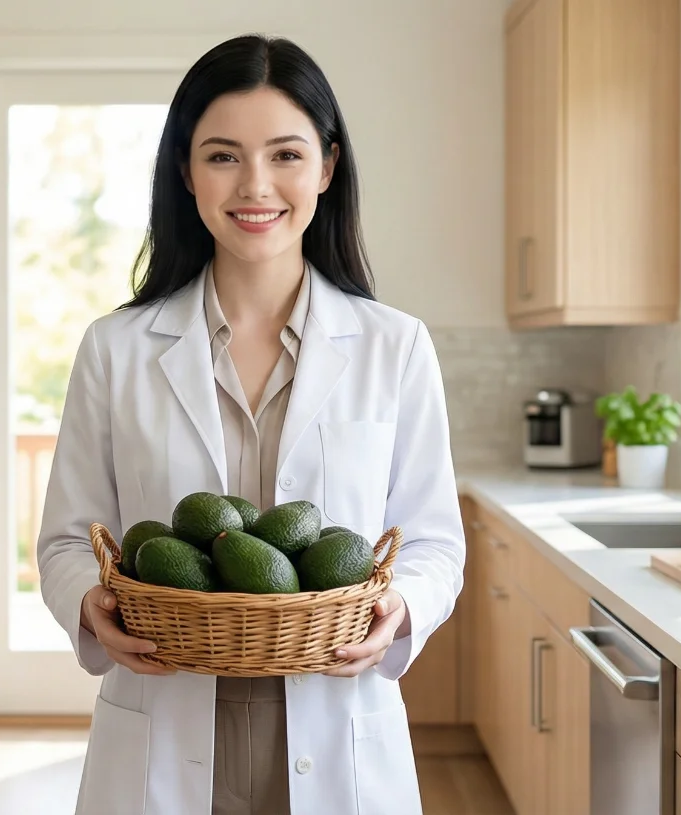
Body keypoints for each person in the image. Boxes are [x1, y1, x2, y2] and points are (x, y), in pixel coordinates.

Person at [36, 34, 465, 815]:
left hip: (337, 731)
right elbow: (69, 537)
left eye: (287, 155)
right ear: (186, 171)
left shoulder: (393, 346)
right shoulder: (117, 347)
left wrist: (403, 603)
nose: (256, 184)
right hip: (162, 730)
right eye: (224, 155)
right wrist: (86, 602)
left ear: (328, 168)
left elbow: (433, 539)